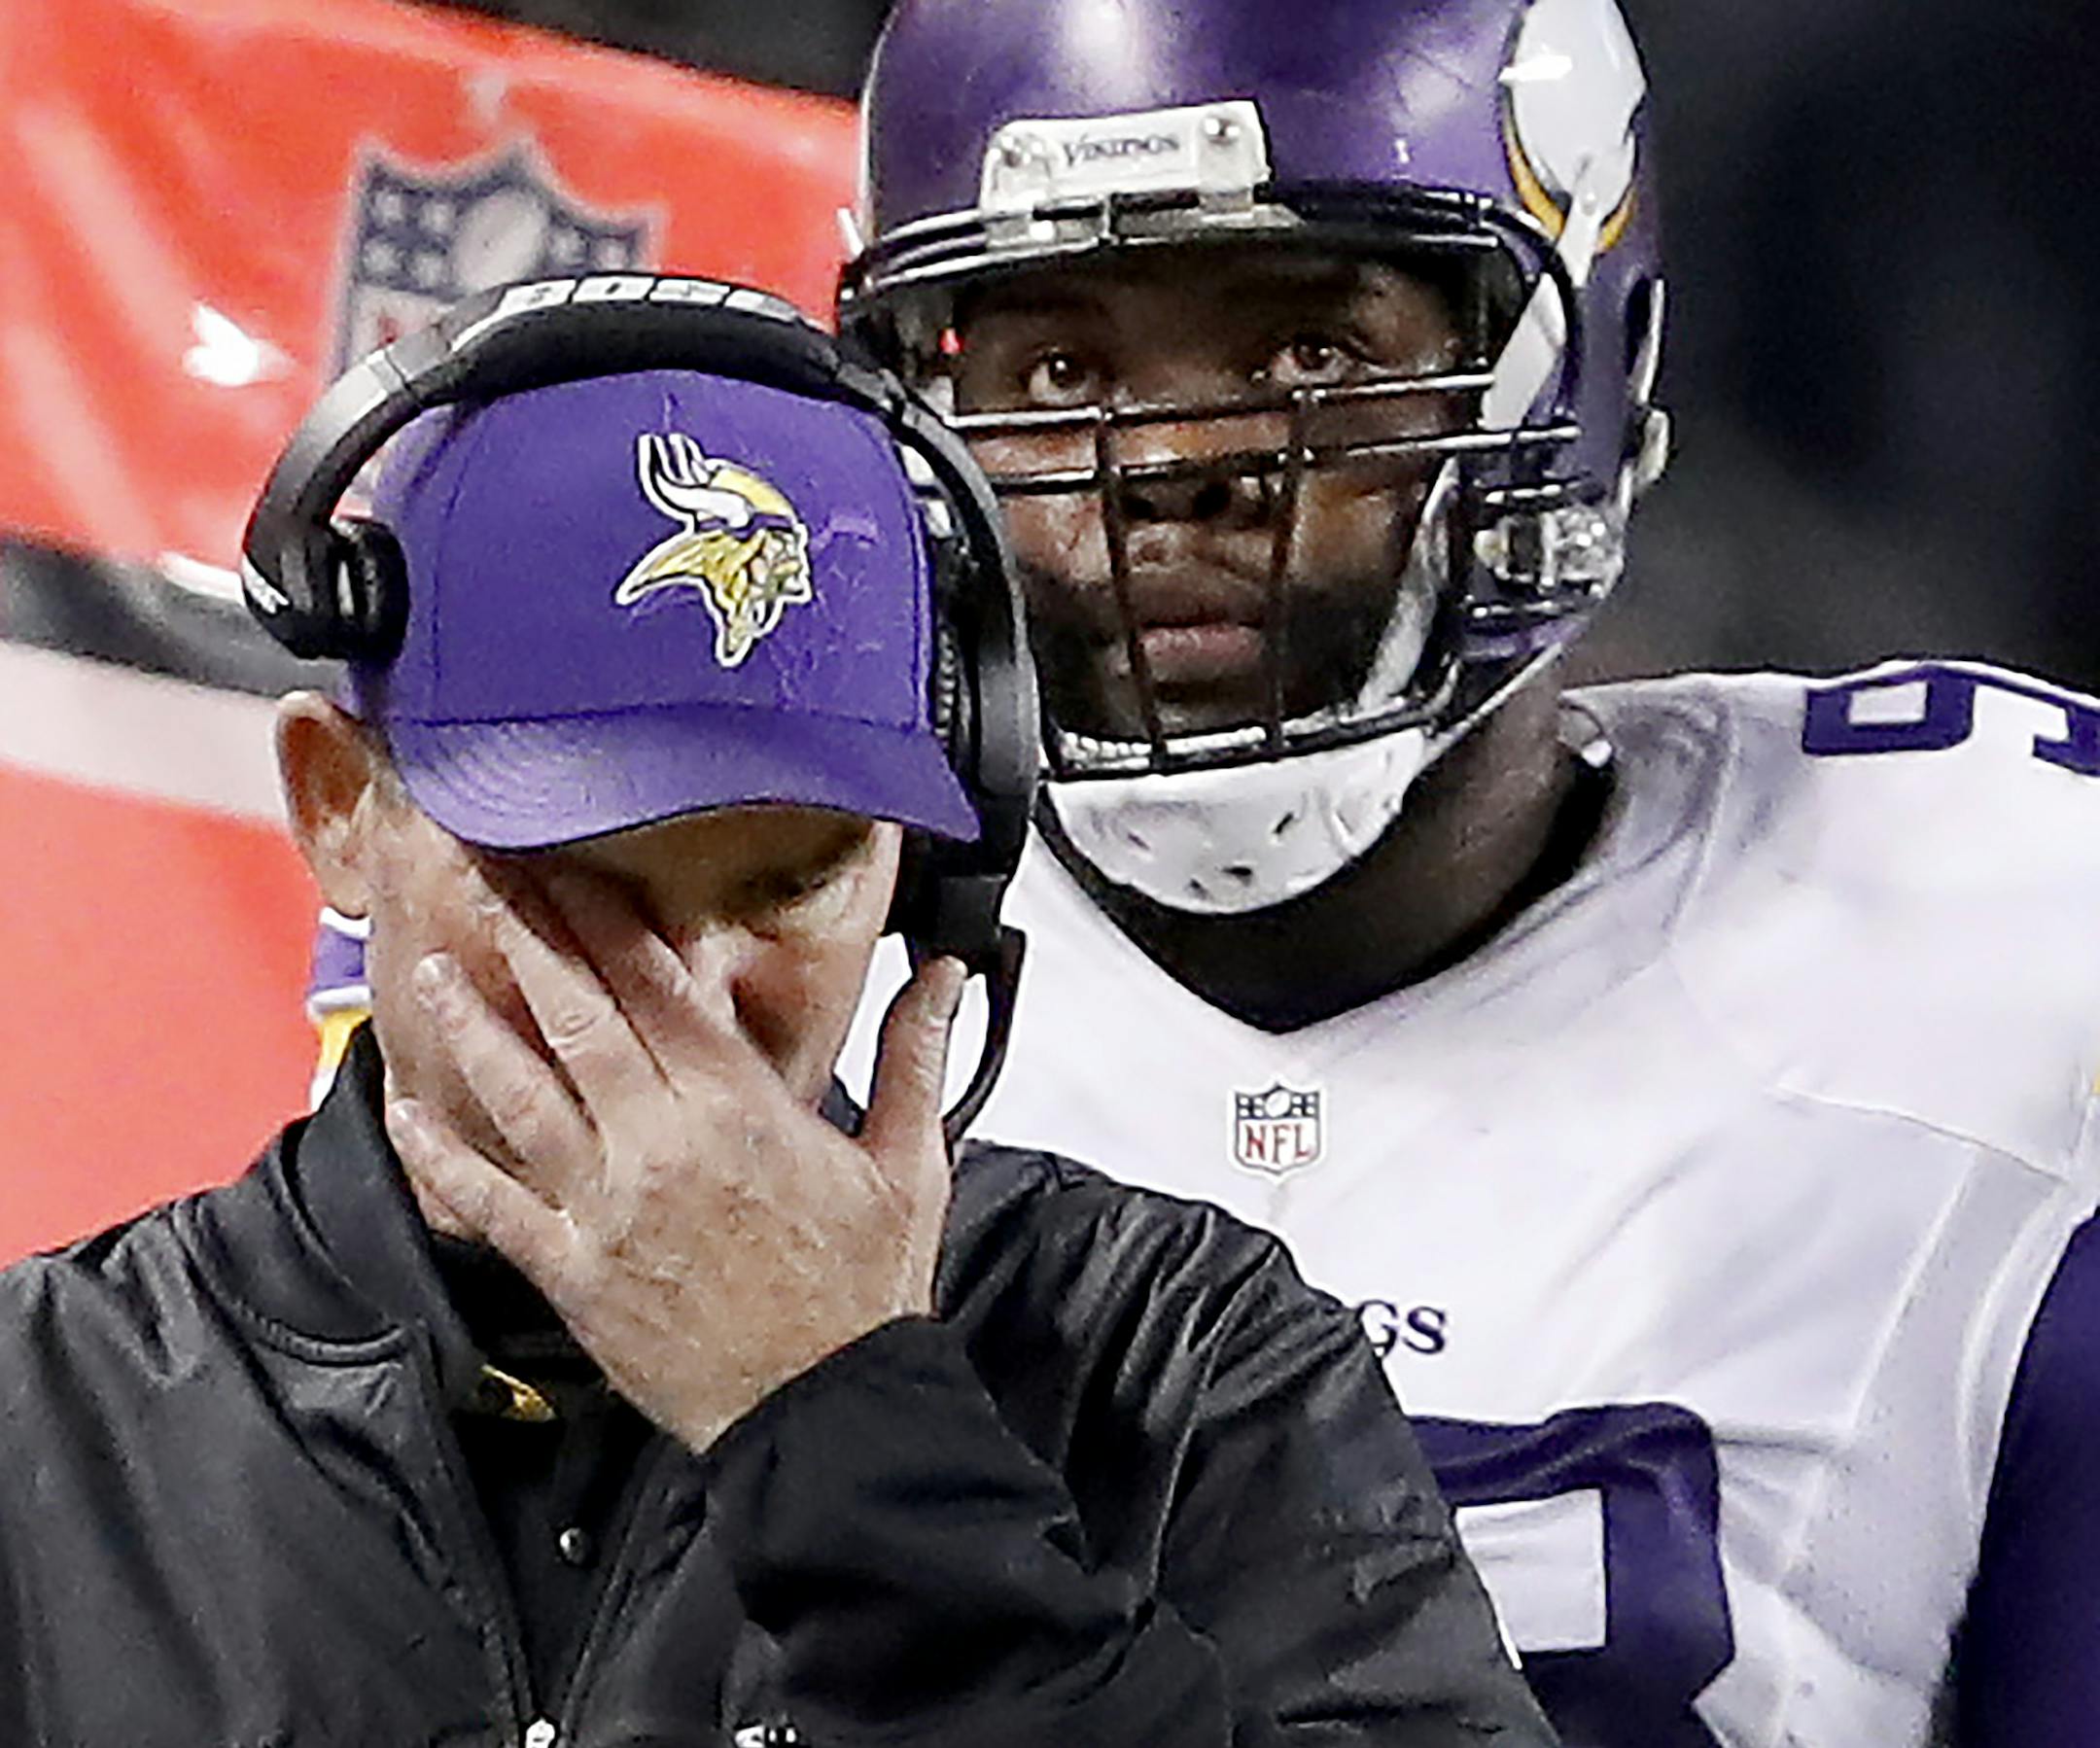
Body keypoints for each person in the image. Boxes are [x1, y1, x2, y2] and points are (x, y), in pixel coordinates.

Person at [0, 281, 1558, 1746]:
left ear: (929, 866)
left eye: (792, 878)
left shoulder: (1177, 1357)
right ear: (340, 805)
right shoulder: (38, 1415)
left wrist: (850, 1441)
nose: (689, 979)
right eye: (574, 878)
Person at [829, 0, 2100, 1743]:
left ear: (1582, 363)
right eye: (1060, 371)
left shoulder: (1990, 939)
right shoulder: (750, 961)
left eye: (1308, 356)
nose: (1180, 469)